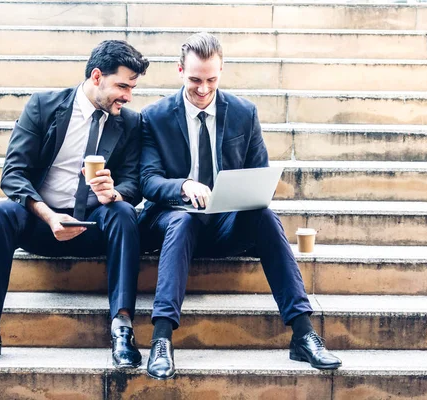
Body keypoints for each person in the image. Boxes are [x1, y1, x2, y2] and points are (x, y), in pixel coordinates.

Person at [138, 32, 341, 380]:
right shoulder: (154, 116)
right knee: (183, 222)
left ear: (222, 70)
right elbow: (147, 181)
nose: (203, 89)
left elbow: (259, 175)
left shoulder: (243, 113)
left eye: (212, 80)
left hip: (225, 221)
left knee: (264, 215)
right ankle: (161, 340)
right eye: (195, 80)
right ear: (179, 70)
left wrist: (246, 193)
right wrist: (183, 186)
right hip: (174, 221)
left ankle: (303, 333)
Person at [0, 40, 150, 368]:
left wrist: (114, 193)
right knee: (0, 212)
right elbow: (13, 174)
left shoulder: (130, 123)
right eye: (121, 86)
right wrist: (47, 215)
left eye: (132, 88)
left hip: (94, 224)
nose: (127, 96)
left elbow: (134, 183)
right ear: (96, 76)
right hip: (42, 222)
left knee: (124, 213)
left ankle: (122, 327)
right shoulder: (44, 106)